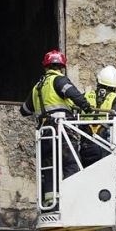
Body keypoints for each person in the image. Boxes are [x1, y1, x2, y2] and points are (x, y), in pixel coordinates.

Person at [21, 49, 92, 205]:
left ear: (45, 66)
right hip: (62, 131)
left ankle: (50, 204)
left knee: (50, 169)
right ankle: (70, 200)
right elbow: (74, 94)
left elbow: (24, 110)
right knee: (71, 164)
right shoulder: (59, 80)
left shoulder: (37, 87)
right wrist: (86, 107)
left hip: (45, 134)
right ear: (61, 66)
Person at [79, 65, 116, 167]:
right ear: (114, 87)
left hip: (85, 144)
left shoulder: (85, 96)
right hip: (106, 146)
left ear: (98, 82)